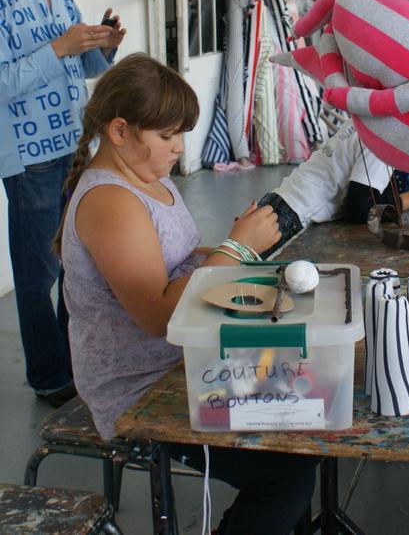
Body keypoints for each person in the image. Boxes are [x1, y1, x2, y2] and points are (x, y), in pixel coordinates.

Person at [59, 53, 317, 535]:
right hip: (141, 386)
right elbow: (159, 316)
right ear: (119, 131)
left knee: (303, 414)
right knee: (286, 474)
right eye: (166, 135)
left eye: (181, 133)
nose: (180, 147)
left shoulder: (149, 179)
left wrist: (233, 250)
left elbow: (178, 259)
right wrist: (238, 248)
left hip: (182, 358)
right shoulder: (111, 200)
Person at [0, 0, 126, 407]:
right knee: (37, 273)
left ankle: (73, 362)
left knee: (75, 260)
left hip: (71, 146)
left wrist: (105, 46)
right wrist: (59, 47)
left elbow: (82, 64)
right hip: (27, 155)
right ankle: (49, 377)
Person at [257, 119, 409, 247]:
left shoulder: (370, 121)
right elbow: (360, 210)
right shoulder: (387, 136)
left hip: (280, 205)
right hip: (291, 219)